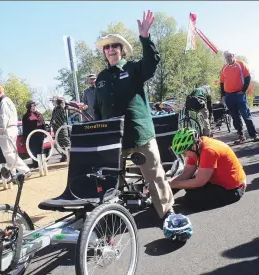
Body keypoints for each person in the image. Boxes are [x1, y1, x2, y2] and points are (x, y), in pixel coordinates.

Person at [94, 10, 177, 224]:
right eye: (107, 47)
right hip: (114, 139)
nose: (111, 50)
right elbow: (98, 109)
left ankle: (167, 213)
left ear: (122, 51)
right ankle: (113, 216)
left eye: (115, 46)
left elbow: (152, 61)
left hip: (140, 133)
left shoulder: (133, 69)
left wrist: (145, 38)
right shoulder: (101, 79)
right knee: (111, 180)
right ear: (105, 53)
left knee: (155, 176)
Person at [169, 128, 247, 208]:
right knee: (183, 181)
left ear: (193, 146)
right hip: (217, 181)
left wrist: (173, 184)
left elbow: (199, 182)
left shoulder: (209, 151)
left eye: (184, 152)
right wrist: (166, 184)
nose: (184, 155)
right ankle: (164, 198)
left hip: (233, 189)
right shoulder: (197, 147)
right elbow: (186, 173)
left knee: (192, 200)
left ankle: (183, 199)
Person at [0, 85, 32, 179]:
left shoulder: (4, 102)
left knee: (8, 153)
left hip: (7, 129)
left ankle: (25, 170)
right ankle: (13, 174)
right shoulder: (5, 101)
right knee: (11, 153)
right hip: (9, 129)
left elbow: (3, 118)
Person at [220, 51, 259, 144]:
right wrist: (223, 95)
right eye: (226, 57)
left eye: (230, 56)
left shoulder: (240, 64)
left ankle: (254, 135)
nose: (228, 58)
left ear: (233, 56)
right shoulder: (224, 68)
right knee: (235, 116)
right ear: (225, 58)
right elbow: (222, 82)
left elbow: (247, 77)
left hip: (239, 94)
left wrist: (243, 90)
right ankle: (241, 135)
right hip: (229, 95)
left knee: (245, 114)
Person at [22, 100, 46, 168]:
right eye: (32, 106)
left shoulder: (39, 114)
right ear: (29, 107)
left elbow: (43, 124)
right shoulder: (26, 116)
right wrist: (25, 138)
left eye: (34, 105)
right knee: (34, 151)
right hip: (31, 137)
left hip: (40, 135)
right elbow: (25, 128)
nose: (34, 107)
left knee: (41, 150)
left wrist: (45, 133)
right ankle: (36, 165)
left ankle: (42, 164)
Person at [50, 96, 70, 162]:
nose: (52, 102)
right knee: (60, 143)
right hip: (56, 129)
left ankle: (70, 155)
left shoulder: (61, 107)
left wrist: (61, 101)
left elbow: (64, 104)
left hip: (62, 128)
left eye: (53, 101)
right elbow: (52, 118)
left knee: (66, 142)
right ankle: (64, 155)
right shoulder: (54, 109)